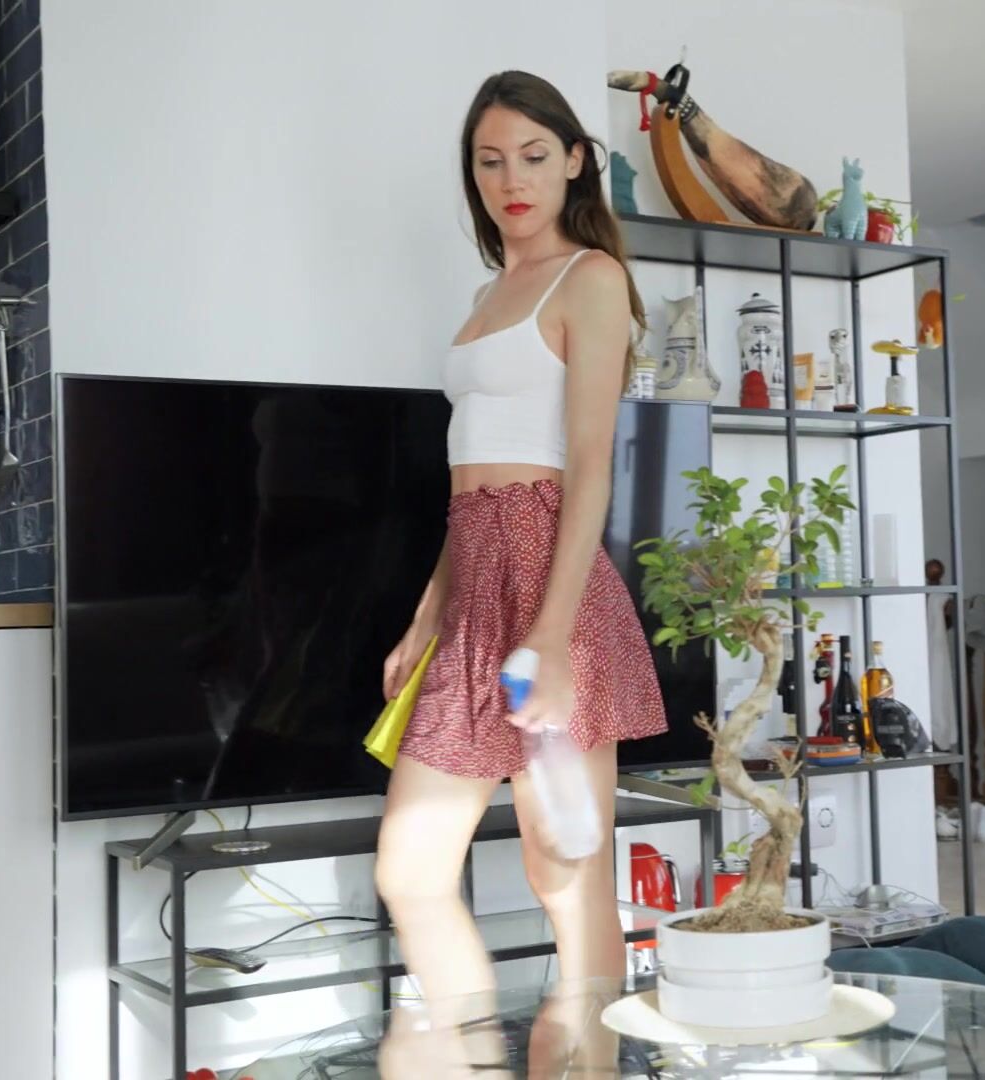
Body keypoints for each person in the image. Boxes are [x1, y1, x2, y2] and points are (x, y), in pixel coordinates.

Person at [373, 68, 667, 1056]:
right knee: (411, 874)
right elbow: (473, 488)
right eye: (491, 160)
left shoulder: (591, 278)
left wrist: (554, 637)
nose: (513, 179)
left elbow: (587, 467)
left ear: (576, 160)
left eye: (534, 156)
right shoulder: (485, 294)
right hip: (474, 583)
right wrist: (428, 615)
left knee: (565, 872)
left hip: (555, 586)